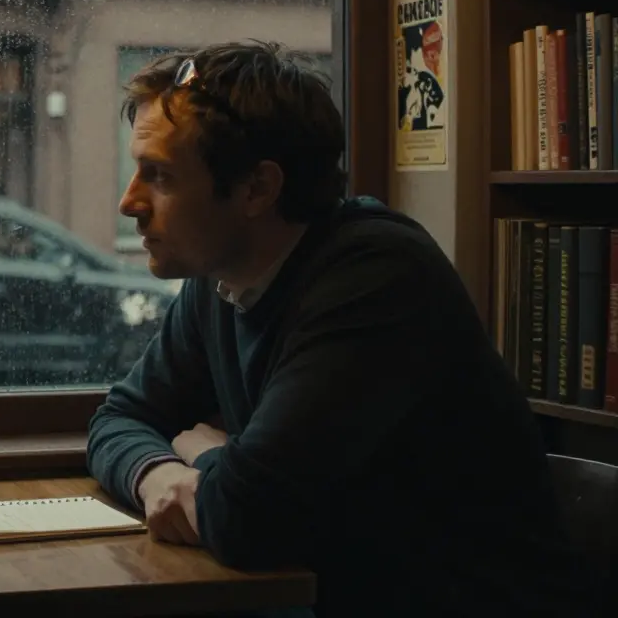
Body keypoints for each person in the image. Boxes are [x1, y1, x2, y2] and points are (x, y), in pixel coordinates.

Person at [86, 41, 594, 617]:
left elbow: (248, 519)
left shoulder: (376, 277)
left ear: (257, 189)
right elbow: (119, 419)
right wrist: (159, 472)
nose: (130, 202)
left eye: (160, 176)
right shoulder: (218, 274)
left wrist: (204, 452)